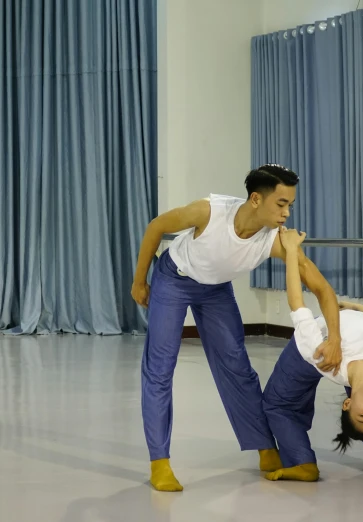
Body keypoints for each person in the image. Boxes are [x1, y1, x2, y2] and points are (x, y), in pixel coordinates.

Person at [131, 165, 343, 492]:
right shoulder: (209, 211)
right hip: (175, 279)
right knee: (160, 367)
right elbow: (156, 226)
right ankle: (160, 461)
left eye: (290, 205)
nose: (287, 213)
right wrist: (139, 280)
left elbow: (323, 289)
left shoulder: (276, 241)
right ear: (256, 199)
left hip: (215, 289)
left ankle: (264, 446)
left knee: (237, 367)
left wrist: (336, 339)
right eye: (281, 204)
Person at [261, 227, 363, 481]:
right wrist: (361, 309)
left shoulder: (324, 358)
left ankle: (303, 464)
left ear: (347, 404)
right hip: (360, 335)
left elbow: (297, 303)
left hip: (314, 347)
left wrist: (291, 251)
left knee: (279, 403)